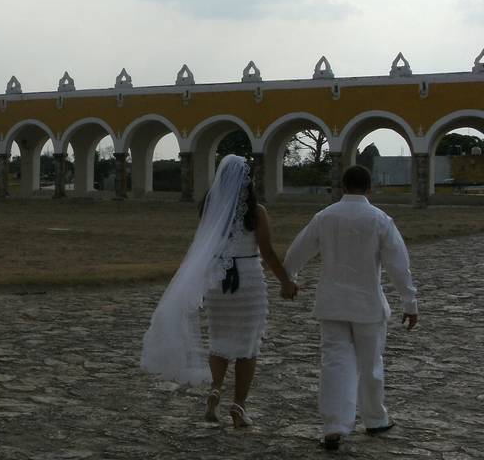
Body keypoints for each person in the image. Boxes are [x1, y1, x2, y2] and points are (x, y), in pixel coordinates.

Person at [141, 154, 297, 427]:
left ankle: (215, 390)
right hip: (248, 280)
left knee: (219, 340)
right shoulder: (256, 212)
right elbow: (268, 252)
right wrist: (285, 280)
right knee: (248, 347)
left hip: (218, 280)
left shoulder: (209, 207)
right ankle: (239, 405)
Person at [283, 165, 418, 451]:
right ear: (370, 189)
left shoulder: (325, 217)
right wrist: (409, 301)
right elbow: (398, 264)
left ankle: (334, 425)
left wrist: (290, 278)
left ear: (342, 187)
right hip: (367, 304)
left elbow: (298, 251)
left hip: (332, 303)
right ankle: (375, 418)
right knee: (370, 364)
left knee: (335, 362)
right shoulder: (380, 219)